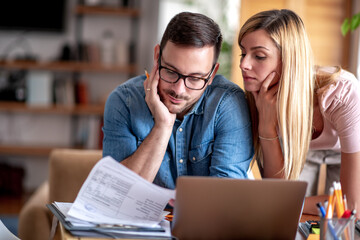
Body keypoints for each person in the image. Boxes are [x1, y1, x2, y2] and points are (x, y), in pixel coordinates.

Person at [102, 12, 254, 190]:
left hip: (204, 219)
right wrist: (163, 126)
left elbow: (226, 197)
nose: (178, 90)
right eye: (171, 72)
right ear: (157, 56)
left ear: (212, 74)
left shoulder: (228, 104)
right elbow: (115, 193)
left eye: (195, 78)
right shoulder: (123, 102)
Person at [238, 9, 360, 217]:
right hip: (301, 148)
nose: (243, 64)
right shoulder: (259, 98)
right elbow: (277, 192)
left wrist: (286, 203)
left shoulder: (341, 93)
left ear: (289, 59)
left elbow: (351, 206)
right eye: (243, 53)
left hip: (346, 150)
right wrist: (267, 125)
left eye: (258, 56)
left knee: (344, 220)